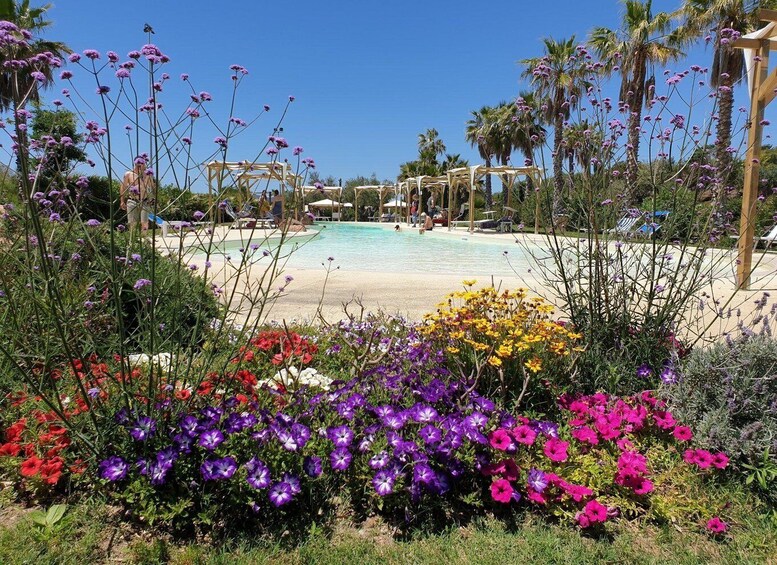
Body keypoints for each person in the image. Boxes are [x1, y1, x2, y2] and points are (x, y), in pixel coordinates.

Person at [120, 158, 153, 234]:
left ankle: (144, 240)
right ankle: (133, 242)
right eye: (140, 163)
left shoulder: (147, 174)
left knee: (144, 222)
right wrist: (122, 201)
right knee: (132, 223)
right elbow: (123, 187)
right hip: (132, 201)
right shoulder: (128, 174)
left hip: (144, 201)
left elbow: (151, 187)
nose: (142, 165)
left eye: (143, 163)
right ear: (136, 163)